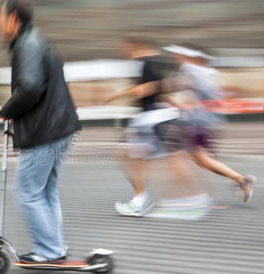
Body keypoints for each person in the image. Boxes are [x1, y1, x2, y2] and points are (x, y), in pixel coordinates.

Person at [0, 0, 81, 263]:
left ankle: (51, 251)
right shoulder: (38, 41)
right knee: (46, 192)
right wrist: (10, 106)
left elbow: (30, 87)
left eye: (0, 17)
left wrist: (7, 109)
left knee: (28, 193)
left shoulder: (26, 44)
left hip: (45, 132)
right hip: (61, 129)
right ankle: (56, 247)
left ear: (13, 18)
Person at [162, 44, 256, 203]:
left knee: (177, 156)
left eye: (178, 55)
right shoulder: (209, 72)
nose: (175, 58)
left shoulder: (191, 71)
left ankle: (187, 196)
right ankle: (241, 180)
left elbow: (194, 96)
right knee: (201, 160)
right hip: (206, 122)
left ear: (190, 57)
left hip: (195, 122)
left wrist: (175, 103)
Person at [104, 35, 180, 216]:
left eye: (128, 50)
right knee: (162, 156)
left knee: (126, 154)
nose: (127, 54)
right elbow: (163, 88)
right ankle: (236, 180)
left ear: (137, 46)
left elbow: (147, 89)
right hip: (158, 115)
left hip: (149, 117)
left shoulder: (148, 63)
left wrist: (117, 95)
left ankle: (141, 200)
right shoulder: (160, 61)